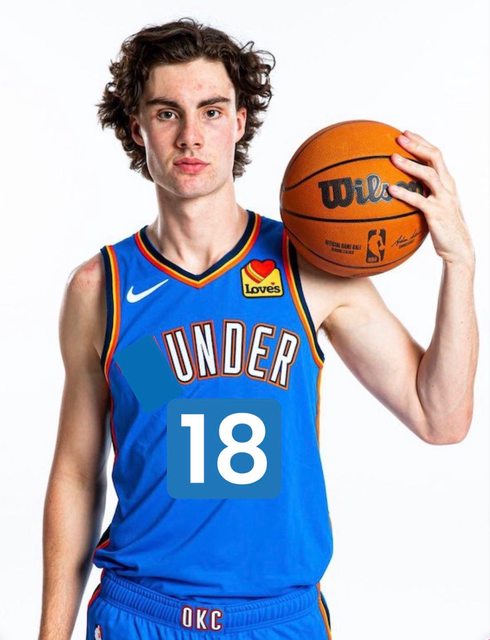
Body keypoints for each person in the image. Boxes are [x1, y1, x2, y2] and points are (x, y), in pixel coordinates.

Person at [38, 17, 478, 640]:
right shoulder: (101, 287)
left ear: (240, 121)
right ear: (137, 128)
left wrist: (459, 263)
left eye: (211, 111)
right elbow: (77, 473)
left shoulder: (312, 270)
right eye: (166, 113)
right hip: (141, 613)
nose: (191, 136)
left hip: (276, 618)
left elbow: (441, 417)